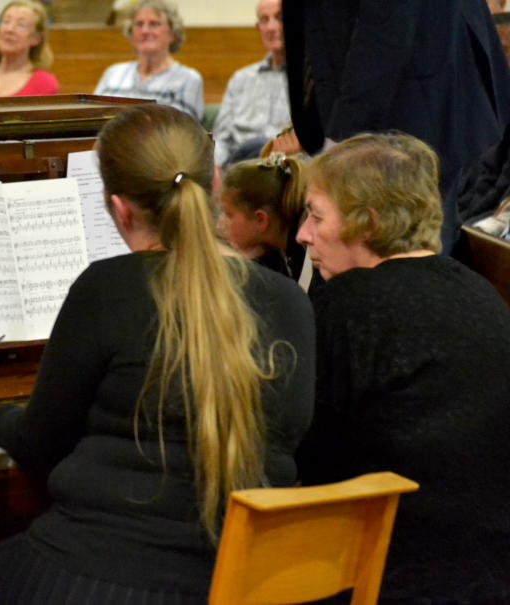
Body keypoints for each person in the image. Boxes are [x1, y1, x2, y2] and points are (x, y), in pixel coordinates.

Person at [0, 104, 314, 604]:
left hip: (107, 577)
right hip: (242, 579)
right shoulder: (290, 301)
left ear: (119, 208)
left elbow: (45, 444)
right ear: (215, 182)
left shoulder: (107, 288)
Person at [295, 132, 510, 603]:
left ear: (366, 223)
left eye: (314, 216)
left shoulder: (346, 306)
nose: (302, 235)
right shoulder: (481, 292)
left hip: (386, 577)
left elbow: (300, 459)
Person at [282, 0, 510, 254]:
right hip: (389, 101)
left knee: (406, 257)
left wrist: (342, 140)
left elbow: (385, 29)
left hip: (413, 102)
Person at [94, 0, 204, 122]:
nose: (145, 31)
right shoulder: (113, 73)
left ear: (172, 33)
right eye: (139, 24)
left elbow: (184, 131)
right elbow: (92, 118)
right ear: (131, 32)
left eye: (154, 24)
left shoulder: (187, 79)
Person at [212, 0, 290, 166]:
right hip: (240, 169)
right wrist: (214, 169)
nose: (271, 27)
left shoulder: (311, 80)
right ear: (258, 28)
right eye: (264, 20)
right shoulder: (240, 79)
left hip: (286, 169)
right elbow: (221, 139)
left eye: (280, 18)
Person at [217, 152, 306, 279]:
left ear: (260, 219)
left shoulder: (307, 262)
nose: (221, 222)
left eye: (228, 214)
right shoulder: (280, 254)